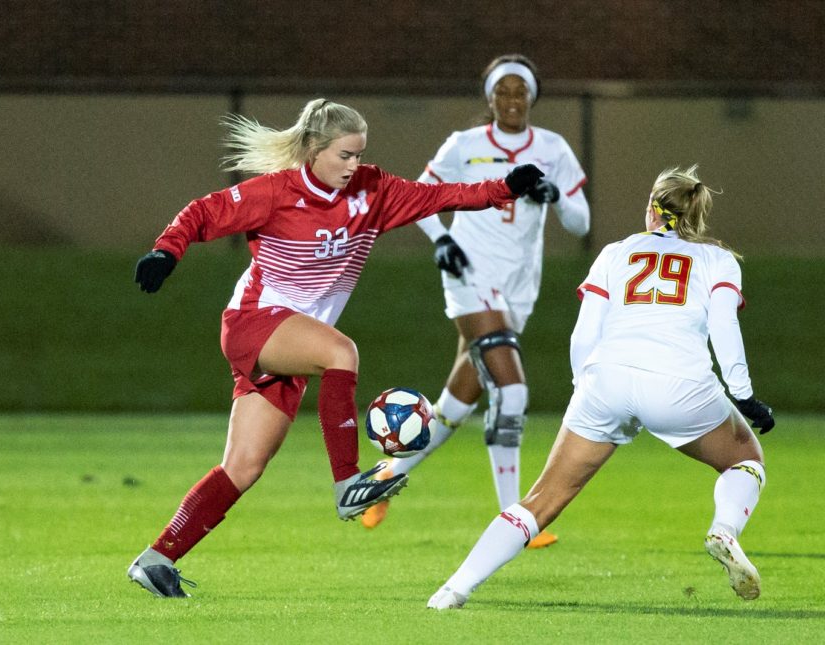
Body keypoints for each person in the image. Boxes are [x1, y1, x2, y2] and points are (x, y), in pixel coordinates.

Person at [125, 98, 544, 598]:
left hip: (291, 342)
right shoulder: (276, 193)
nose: (354, 165)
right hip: (254, 323)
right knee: (342, 354)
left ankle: (157, 558)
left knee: (243, 467)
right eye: (344, 155)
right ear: (312, 150)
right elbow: (203, 212)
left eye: (359, 154)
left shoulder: (374, 189)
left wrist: (505, 187)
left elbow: (441, 196)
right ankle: (348, 486)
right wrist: (165, 251)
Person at [427, 165, 776, 610]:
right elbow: (724, 326)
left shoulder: (616, 252)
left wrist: (585, 389)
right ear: (696, 215)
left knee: (541, 500)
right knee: (746, 460)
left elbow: (584, 333)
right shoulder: (716, 259)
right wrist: (743, 394)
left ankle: (453, 589)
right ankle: (725, 530)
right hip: (679, 384)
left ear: (653, 210)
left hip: (606, 378)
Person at [361, 54, 590, 550]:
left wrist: (556, 196)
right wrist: (441, 239)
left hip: (519, 284)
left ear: (532, 97)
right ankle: (517, 519)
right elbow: (417, 194)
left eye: (520, 92)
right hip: (469, 273)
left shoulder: (552, 148)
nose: (511, 100)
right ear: (489, 98)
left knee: (456, 403)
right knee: (511, 391)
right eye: (502, 92)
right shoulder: (465, 145)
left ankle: (384, 479)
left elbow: (581, 223)